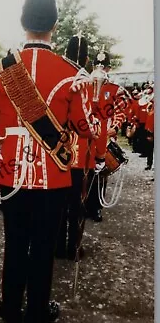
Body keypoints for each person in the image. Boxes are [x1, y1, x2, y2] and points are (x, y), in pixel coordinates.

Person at [0, 0, 100, 323]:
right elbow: (85, 127)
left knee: (15, 242)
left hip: (11, 174)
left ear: (22, 21)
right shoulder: (71, 74)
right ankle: (36, 314)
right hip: (53, 177)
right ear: (55, 25)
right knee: (44, 246)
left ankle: (11, 308)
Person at [56, 34, 107, 259]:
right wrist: (100, 154)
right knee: (77, 205)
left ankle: (56, 247)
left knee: (57, 206)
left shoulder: (57, 77)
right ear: (86, 57)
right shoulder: (84, 81)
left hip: (56, 153)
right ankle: (73, 248)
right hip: (80, 155)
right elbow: (90, 123)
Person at [86, 50, 131, 222]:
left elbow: (122, 111)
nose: (99, 69)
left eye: (103, 66)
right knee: (84, 171)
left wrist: (115, 126)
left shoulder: (115, 89)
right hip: (87, 134)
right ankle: (81, 203)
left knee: (100, 172)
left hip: (104, 134)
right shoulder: (85, 85)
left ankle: (96, 207)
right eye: (97, 66)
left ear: (109, 68)